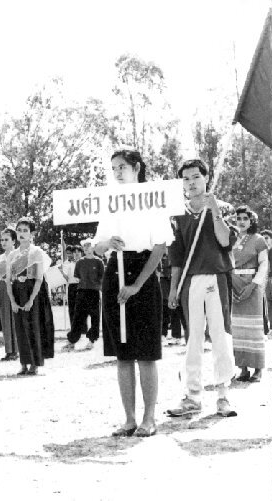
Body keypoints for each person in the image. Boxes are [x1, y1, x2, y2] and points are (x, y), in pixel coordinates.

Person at [94, 150, 171, 438]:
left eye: (122, 167)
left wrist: (137, 285)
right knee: (123, 354)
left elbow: (160, 247)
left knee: (146, 353)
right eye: (114, 168)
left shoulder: (153, 200)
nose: (117, 172)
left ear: (136, 167)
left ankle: (149, 418)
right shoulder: (109, 203)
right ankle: (129, 419)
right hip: (115, 271)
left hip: (144, 273)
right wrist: (107, 243)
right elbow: (97, 247)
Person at [166, 159, 237, 418]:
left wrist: (214, 208)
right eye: (186, 179)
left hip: (217, 276)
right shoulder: (177, 213)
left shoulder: (223, 207)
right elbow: (176, 256)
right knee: (193, 337)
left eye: (196, 177)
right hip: (191, 279)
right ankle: (193, 396)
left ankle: (223, 395)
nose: (191, 183)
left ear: (206, 178)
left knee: (220, 335)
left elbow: (225, 240)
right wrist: (173, 289)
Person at [6, 217, 56, 376]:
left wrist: (31, 299)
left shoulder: (36, 252)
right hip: (17, 291)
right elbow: (8, 279)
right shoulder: (12, 255)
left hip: (32, 291)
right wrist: (12, 301)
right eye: (19, 230)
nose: (21, 233)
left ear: (32, 234)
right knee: (20, 328)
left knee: (33, 327)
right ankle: (24, 363)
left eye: (25, 231)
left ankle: (35, 363)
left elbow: (39, 278)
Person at [230, 206, 268, 383]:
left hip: (252, 285)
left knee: (254, 328)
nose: (241, 221)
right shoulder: (232, 239)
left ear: (251, 220)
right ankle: (243, 368)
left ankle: (258, 369)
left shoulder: (258, 239)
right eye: (239, 218)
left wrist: (253, 285)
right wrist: (231, 286)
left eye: (245, 218)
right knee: (238, 328)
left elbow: (264, 264)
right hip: (234, 285)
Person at [63, 240, 104, 351]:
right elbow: (77, 277)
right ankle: (71, 341)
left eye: (88, 246)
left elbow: (102, 278)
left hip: (94, 293)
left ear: (93, 248)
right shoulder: (80, 262)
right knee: (77, 318)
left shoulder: (99, 262)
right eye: (84, 246)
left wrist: (97, 286)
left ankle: (91, 341)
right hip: (81, 292)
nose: (86, 248)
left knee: (95, 318)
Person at [0, 227, 19, 361]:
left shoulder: (19, 255)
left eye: (6, 240)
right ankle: (9, 351)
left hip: (16, 287)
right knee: (5, 320)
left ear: (13, 241)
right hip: (3, 288)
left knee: (16, 319)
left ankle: (17, 350)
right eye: (2, 240)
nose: (3, 242)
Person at [158, 251, 185, 346]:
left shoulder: (174, 251)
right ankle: (163, 333)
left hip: (173, 280)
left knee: (175, 308)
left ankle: (176, 336)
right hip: (163, 280)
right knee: (163, 307)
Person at [59, 246, 80, 325]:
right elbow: (67, 278)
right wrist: (61, 272)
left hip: (80, 286)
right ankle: (73, 326)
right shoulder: (65, 263)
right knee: (71, 307)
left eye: (70, 253)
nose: (69, 255)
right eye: (67, 253)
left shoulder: (79, 261)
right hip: (71, 286)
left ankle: (81, 327)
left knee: (80, 307)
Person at [261, 230, 272, 338]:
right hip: (265, 279)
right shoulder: (263, 251)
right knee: (268, 304)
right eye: (263, 238)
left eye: (266, 238)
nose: (264, 240)